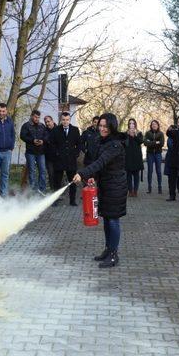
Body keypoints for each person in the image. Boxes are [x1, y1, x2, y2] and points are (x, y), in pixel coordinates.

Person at [72, 113, 127, 268]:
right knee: (106, 219)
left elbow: (102, 162)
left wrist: (82, 173)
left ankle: (114, 255)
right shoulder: (101, 141)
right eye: (100, 126)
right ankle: (108, 250)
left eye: (105, 126)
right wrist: (92, 177)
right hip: (105, 185)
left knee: (113, 220)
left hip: (116, 186)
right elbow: (97, 164)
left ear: (112, 127)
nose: (102, 129)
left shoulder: (115, 144)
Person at [50, 112, 81, 206]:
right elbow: (52, 144)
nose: (65, 122)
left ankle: (72, 201)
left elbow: (79, 144)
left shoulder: (75, 130)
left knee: (72, 181)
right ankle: (55, 201)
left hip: (71, 160)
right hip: (59, 160)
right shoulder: (55, 130)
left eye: (67, 120)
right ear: (61, 120)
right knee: (57, 182)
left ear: (69, 120)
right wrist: (56, 153)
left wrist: (76, 154)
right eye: (63, 120)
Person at [20, 109, 49, 194]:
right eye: (35, 117)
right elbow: (22, 136)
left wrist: (43, 141)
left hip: (41, 152)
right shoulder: (26, 125)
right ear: (32, 116)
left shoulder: (42, 125)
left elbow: (46, 135)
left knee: (43, 171)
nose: (37, 119)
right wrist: (33, 140)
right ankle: (33, 190)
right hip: (30, 152)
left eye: (38, 117)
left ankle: (42, 190)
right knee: (32, 171)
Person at [144, 120, 164, 194]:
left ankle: (159, 187)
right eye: (152, 124)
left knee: (158, 171)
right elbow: (145, 143)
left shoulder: (161, 133)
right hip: (150, 154)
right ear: (151, 125)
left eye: (155, 124)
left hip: (158, 154)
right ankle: (149, 187)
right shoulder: (147, 133)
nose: (154, 125)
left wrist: (151, 142)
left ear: (158, 125)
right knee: (150, 171)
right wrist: (156, 142)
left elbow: (161, 144)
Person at [125, 118, 143, 197]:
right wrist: (128, 135)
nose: (131, 125)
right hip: (128, 156)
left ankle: (135, 191)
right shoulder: (125, 133)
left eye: (133, 123)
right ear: (128, 124)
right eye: (130, 123)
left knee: (136, 175)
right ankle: (130, 190)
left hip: (137, 156)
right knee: (128, 175)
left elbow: (141, 141)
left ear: (135, 124)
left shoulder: (139, 133)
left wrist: (134, 135)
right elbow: (124, 143)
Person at [44, 115, 57, 191]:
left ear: (52, 121)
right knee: (51, 175)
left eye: (48, 121)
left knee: (58, 175)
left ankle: (59, 193)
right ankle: (53, 192)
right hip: (49, 158)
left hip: (58, 158)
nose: (47, 123)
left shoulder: (59, 129)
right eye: (46, 122)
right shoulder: (44, 131)